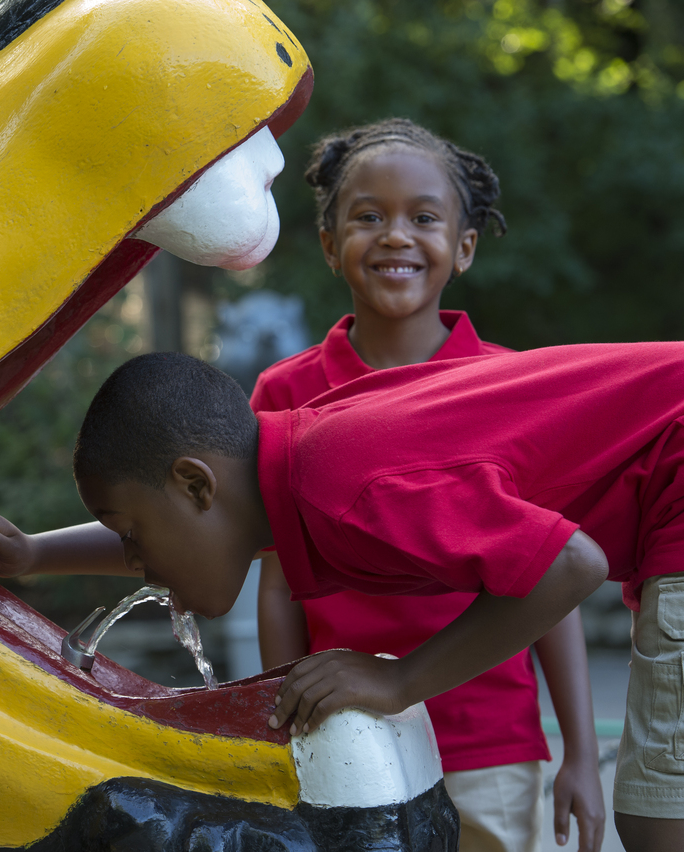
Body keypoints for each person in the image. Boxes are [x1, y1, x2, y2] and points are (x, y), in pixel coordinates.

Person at [0, 343, 684, 852]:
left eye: (133, 535)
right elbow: (184, 528)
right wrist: (36, 554)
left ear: (197, 484)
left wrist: (400, 679)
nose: (139, 561)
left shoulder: (345, 480)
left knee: (661, 824)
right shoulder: (299, 471)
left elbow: (570, 566)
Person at [250, 117, 602, 852]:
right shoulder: (286, 394)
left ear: (464, 247)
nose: (395, 236)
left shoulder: (513, 384)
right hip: (344, 736)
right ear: (328, 244)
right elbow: (279, 583)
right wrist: (277, 730)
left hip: (488, 744)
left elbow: (553, 588)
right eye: (368, 217)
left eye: (424, 217)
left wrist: (580, 753)